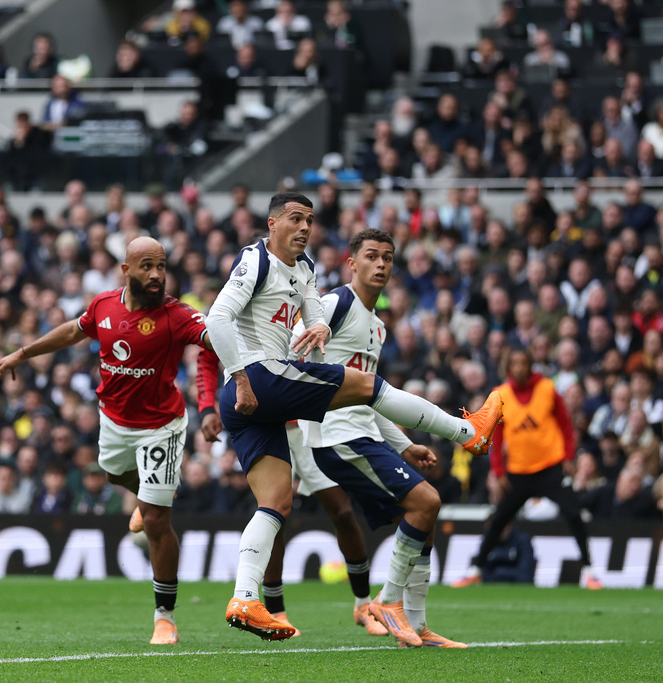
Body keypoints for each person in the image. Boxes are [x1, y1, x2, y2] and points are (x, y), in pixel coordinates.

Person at [203, 192, 503, 642]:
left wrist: (316, 324)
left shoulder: (305, 272)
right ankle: (466, 431)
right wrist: (241, 378)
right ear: (271, 223)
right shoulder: (256, 260)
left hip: (260, 397)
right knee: (365, 387)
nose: (305, 227)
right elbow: (218, 318)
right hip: (258, 380)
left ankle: (245, 596)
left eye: (309, 220)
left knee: (278, 501)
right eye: (295, 219)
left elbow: (311, 319)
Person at [0, 236, 217, 646]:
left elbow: (215, 339)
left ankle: (165, 617)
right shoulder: (103, 305)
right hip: (113, 419)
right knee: (112, 475)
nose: (157, 275)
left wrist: (241, 362)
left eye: (161, 266)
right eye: (146, 266)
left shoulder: (177, 315)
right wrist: (22, 353)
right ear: (125, 270)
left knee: (157, 521)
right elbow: (72, 332)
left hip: (162, 424)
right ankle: (153, 492)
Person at [282, 228, 465, 647]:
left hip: (364, 434)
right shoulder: (333, 304)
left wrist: (403, 444)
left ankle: (415, 626)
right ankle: (386, 601)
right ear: (353, 262)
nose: (380, 264)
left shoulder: (378, 328)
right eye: (371, 256)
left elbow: (370, 397)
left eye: (387, 257)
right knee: (428, 502)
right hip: (337, 438)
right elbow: (291, 352)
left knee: (424, 517)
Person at [452, 349, 602, 590]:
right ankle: (476, 569)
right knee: (499, 518)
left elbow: (565, 425)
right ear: (508, 368)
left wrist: (569, 457)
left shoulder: (547, 388)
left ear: (530, 365)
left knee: (573, 513)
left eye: (524, 363)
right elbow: (496, 436)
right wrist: (499, 471)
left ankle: (589, 571)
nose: (520, 368)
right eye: (515, 364)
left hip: (550, 467)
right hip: (518, 471)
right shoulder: (500, 395)